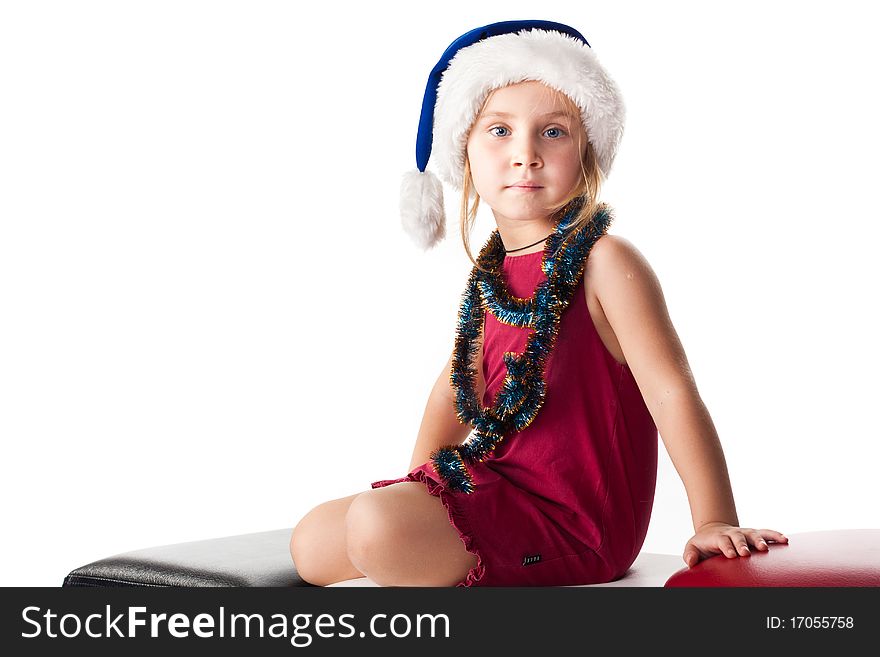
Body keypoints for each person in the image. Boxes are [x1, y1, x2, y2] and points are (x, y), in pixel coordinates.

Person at [290, 19, 788, 587]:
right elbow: (456, 390)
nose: (525, 155)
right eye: (499, 131)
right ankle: (415, 542)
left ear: (586, 153)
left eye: (552, 133)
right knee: (312, 541)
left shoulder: (605, 262)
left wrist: (715, 518)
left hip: (577, 522)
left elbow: (671, 388)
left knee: (377, 527)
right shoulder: (492, 276)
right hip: (498, 483)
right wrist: (423, 485)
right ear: (466, 153)